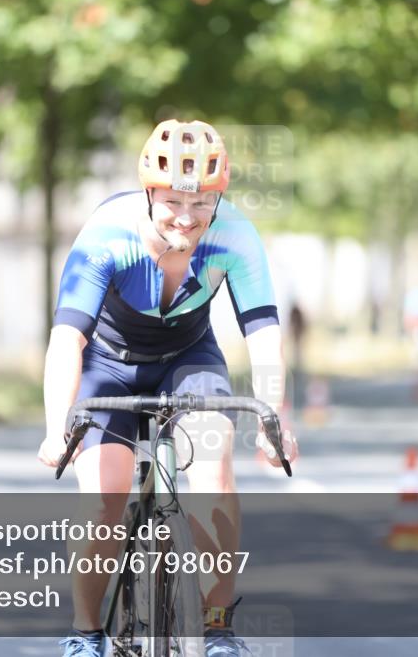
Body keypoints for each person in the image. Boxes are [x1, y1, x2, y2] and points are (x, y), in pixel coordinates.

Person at [38, 119, 298, 657]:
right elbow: (67, 340)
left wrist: (276, 421)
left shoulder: (235, 236)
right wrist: (55, 427)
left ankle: (219, 627)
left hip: (188, 358)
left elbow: (264, 334)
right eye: (175, 202)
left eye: (203, 203)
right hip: (105, 366)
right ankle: (86, 634)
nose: (187, 216)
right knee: (104, 500)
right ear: (149, 193)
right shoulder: (107, 235)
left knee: (214, 468)